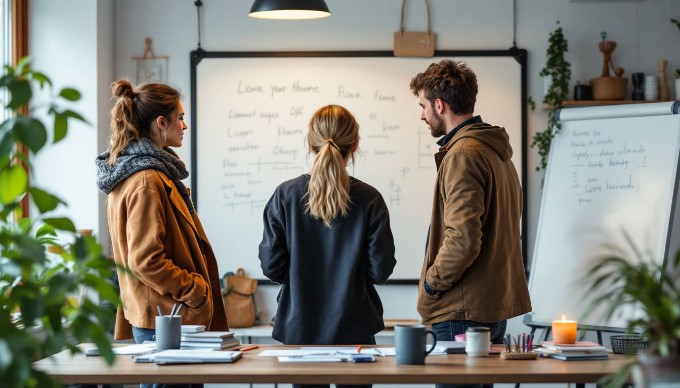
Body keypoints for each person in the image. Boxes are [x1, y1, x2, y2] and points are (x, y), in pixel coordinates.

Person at [96, 80, 229, 388]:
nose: (184, 126)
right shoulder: (147, 180)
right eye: (180, 118)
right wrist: (195, 289)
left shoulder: (141, 172)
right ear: (160, 123)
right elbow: (145, 260)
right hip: (167, 318)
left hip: (163, 316)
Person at [409, 60, 532, 388]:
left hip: (460, 311)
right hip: (489, 307)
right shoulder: (495, 152)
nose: (422, 115)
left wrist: (432, 285)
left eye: (423, 106)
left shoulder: (463, 155)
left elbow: (463, 238)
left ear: (439, 105)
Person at [258, 104, 396, 388]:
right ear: (355, 144)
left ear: (310, 142)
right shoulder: (370, 199)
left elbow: (272, 267)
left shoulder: (285, 195)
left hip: (300, 333)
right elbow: (380, 270)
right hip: (356, 330)